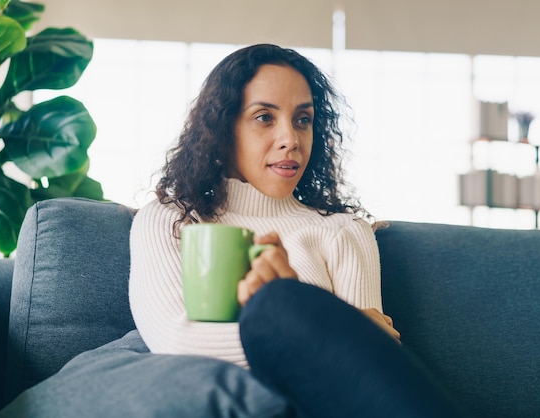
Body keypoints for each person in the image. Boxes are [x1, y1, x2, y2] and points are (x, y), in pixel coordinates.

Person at [129, 43, 464, 417]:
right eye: (264, 117)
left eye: (302, 119)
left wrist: (311, 326)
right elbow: (176, 339)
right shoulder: (172, 219)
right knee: (279, 305)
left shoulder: (344, 231)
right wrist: (322, 327)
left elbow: (369, 372)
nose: (291, 139)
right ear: (224, 130)